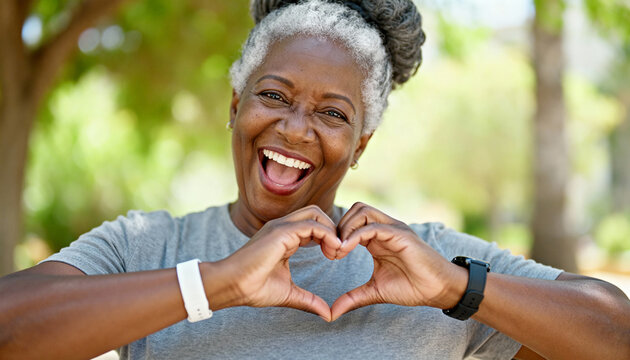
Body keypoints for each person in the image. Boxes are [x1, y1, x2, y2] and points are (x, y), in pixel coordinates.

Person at [1, 0, 629, 359]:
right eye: (273, 95)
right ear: (235, 106)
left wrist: (456, 287)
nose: (297, 129)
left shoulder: (428, 265)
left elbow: (615, 334)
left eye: (332, 113)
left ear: (360, 147)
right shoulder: (147, 248)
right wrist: (214, 285)